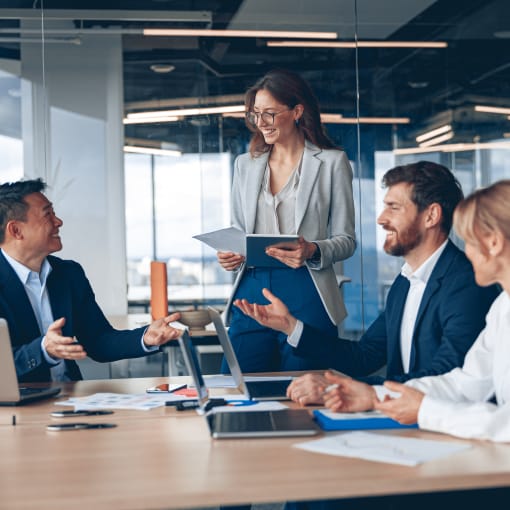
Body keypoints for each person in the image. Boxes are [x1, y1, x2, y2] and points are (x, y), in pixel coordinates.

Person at [235, 161, 499, 404]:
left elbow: (447, 374)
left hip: (439, 423)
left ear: (431, 216)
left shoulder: (467, 284)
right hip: (401, 417)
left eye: (393, 208)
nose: (381, 219)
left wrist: (342, 389)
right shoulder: (406, 281)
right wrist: (290, 326)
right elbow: (364, 356)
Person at [323, 179, 510, 443]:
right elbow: (467, 383)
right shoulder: (503, 307)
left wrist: (425, 410)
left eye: (469, 241)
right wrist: (375, 396)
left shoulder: (472, 289)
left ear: (493, 243)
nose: (466, 252)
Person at [218, 68, 356, 374]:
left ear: (297, 111)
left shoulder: (332, 162)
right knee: (239, 385)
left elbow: (346, 241)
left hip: (307, 286)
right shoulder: (245, 165)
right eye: (255, 114)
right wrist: (231, 255)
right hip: (252, 287)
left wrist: (312, 250)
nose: (261, 123)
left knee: (304, 388)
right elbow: (239, 231)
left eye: (269, 113)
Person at [0, 178, 182, 383]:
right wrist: (43, 350)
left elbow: (98, 341)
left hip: (70, 397)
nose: (58, 222)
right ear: (16, 230)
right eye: (47, 214)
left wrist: (145, 337)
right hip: (19, 407)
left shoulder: (68, 273)